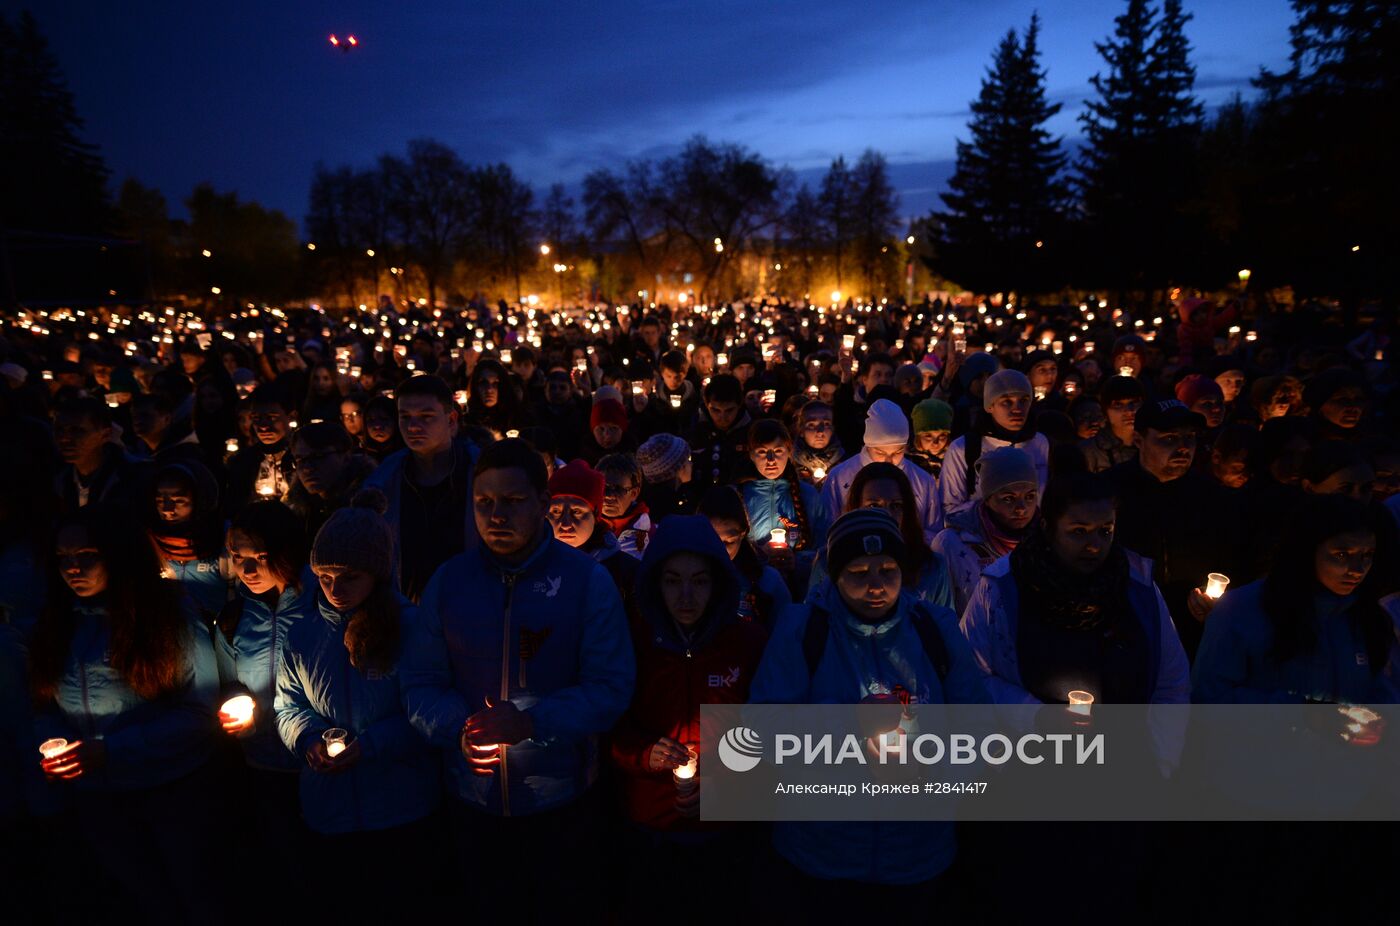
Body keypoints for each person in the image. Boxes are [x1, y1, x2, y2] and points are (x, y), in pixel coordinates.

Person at [399, 439, 634, 919]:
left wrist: (533, 722)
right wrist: (458, 729)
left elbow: (611, 686)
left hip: (563, 800)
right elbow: (419, 682)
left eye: (512, 501)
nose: (496, 515)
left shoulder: (586, 582)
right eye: (484, 502)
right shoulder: (449, 582)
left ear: (543, 505)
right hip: (473, 801)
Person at [750, 508, 988, 907]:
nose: (876, 586)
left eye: (887, 570)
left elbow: (979, 729)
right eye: (859, 573)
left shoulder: (935, 629)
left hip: (916, 851)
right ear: (835, 575)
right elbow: (764, 729)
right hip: (823, 851)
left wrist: (926, 763)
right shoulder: (803, 629)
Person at [30, 504, 226, 922]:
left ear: (117, 554)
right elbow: (44, 705)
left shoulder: (166, 619)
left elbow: (199, 711)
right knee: (142, 898)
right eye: (64, 558)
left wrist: (113, 749)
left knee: (195, 893)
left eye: (87, 555)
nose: (73, 568)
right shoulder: (59, 624)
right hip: (99, 797)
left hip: (171, 789)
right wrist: (52, 744)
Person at [274, 491, 442, 914]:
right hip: (329, 805)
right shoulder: (302, 633)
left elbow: (427, 707)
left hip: (401, 804)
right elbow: (287, 704)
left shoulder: (411, 628)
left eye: (349, 576)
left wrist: (372, 745)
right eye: (325, 577)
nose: (335, 589)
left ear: (378, 574)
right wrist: (308, 737)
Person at [610, 516, 768, 916]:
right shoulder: (633, 641)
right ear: (653, 582)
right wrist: (643, 753)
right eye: (671, 580)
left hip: (726, 828)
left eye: (699, 581)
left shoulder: (747, 642)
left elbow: (769, 730)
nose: (685, 596)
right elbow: (607, 722)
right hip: (650, 821)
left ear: (718, 582)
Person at [959, 472, 1191, 705]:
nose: (1094, 546)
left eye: (1105, 531)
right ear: (1048, 527)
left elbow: (1171, 682)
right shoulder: (1004, 587)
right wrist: (1035, 715)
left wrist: (1160, 741)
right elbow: (970, 672)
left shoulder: (1137, 585)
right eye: (1079, 531)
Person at [1194, 493, 1398, 704]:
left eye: (1367, 555)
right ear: (1307, 550)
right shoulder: (1241, 610)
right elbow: (1209, 696)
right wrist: (1303, 714)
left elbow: (1379, 686)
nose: (1357, 570)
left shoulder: (1367, 617)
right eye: (1342, 555)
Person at [215, 500, 315, 874]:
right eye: (238, 557)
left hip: (316, 759)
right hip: (261, 762)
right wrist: (235, 702)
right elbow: (227, 682)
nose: (249, 569)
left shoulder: (321, 603)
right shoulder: (233, 616)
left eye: (261, 555)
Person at [1106, 399, 1245, 658]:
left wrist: (1219, 605)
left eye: (1189, 437)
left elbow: (1234, 558)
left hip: (1192, 631)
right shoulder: (1108, 492)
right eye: (1169, 438)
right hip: (1124, 626)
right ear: (1138, 440)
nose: (1183, 447)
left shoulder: (1213, 496)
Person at [363, 375, 481, 602]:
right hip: (405, 613)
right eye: (404, 417)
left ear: (451, 419)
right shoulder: (382, 482)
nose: (413, 426)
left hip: (470, 607)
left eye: (426, 417)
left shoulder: (480, 475)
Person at [807, 461, 954, 611]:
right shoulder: (828, 562)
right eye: (874, 506)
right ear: (856, 507)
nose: (886, 514)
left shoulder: (931, 567)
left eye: (896, 506)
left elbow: (944, 628)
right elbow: (814, 623)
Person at [933, 447, 1040, 616]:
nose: (1021, 508)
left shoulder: (1049, 542)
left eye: (1029, 496)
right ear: (988, 499)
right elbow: (939, 612)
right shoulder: (953, 544)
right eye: (1008, 498)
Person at [822, 398, 942, 543]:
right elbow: (827, 528)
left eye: (897, 452)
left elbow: (934, 532)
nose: (889, 460)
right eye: (880, 453)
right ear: (868, 446)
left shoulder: (922, 480)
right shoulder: (839, 477)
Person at [940, 370, 1050, 520]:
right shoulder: (964, 448)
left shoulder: (1040, 443)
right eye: (1007, 401)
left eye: (1024, 400)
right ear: (990, 406)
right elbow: (950, 507)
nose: (1017, 409)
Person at [740, 420, 829, 578]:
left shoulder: (808, 496)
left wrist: (797, 561)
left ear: (789, 451)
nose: (771, 459)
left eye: (778, 451)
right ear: (751, 455)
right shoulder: (740, 497)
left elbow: (824, 547)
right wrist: (759, 554)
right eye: (762, 452)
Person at [699, 485, 792, 629]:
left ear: (743, 534)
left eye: (729, 542)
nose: (720, 550)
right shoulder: (687, 580)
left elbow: (785, 635)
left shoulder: (767, 581)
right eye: (712, 540)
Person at [149, 459, 231, 622]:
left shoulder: (224, 538)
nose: (167, 510)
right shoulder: (150, 542)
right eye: (160, 500)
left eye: (178, 500)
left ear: (200, 500)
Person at [547, 460, 640, 604]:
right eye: (556, 511)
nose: (565, 524)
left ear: (595, 515)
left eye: (576, 512)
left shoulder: (625, 574)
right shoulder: (532, 566)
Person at [284, 420, 376, 541]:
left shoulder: (368, 509)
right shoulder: (299, 510)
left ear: (346, 457)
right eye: (300, 459)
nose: (307, 468)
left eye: (317, 457)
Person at [53, 397, 148, 512]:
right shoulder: (57, 479)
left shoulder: (134, 477)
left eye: (76, 430)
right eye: (59, 429)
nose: (64, 438)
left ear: (105, 434)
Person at [224, 384, 298, 511]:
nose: (263, 426)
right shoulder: (243, 462)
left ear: (291, 416)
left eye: (271, 418)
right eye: (257, 418)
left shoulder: (305, 458)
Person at [687, 374, 753, 496]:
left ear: (739, 406)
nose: (722, 418)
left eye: (729, 410)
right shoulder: (694, 428)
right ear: (707, 405)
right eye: (715, 410)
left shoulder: (751, 431)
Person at [1079, 375, 1145, 473]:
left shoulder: (1152, 446)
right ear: (1105, 411)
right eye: (1118, 404)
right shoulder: (1089, 451)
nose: (1129, 411)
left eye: (1134, 402)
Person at [597, 453, 655, 556]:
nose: (609, 496)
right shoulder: (584, 524)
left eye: (618, 489)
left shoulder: (649, 535)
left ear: (634, 493)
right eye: (603, 488)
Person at [636, 432, 695, 522]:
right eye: (688, 459)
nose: (691, 464)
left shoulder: (677, 495)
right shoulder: (669, 512)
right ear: (678, 468)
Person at [465, 357, 530, 439]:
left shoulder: (518, 418)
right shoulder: (467, 423)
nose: (489, 389)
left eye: (495, 383)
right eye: (483, 382)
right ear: (475, 386)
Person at [1304, 368, 1367, 441]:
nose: (1353, 406)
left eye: (1358, 399)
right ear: (1319, 405)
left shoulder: (1371, 445)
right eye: (1342, 399)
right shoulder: (1301, 445)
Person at [790, 400, 842, 484]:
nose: (820, 432)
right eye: (811, 425)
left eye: (826, 424)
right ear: (801, 430)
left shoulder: (845, 464)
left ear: (832, 429)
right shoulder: (789, 464)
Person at [907, 398, 953, 479]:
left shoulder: (955, 460)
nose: (936, 443)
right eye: (928, 436)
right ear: (918, 436)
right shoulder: (908, 462)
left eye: (942, 435)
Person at [360, 394, 404, 462]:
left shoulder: (406, 457)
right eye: (371, 420)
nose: (377, 426)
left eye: (384, 419)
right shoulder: (360, 457)